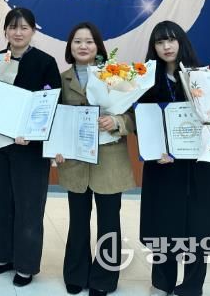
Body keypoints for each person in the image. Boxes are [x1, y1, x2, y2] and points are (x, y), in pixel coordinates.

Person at [138, 21, 210, 296]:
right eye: (160, 42)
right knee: (164, 221)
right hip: (163, 163)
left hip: (198, 164)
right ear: (154, 47)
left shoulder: (203, 77)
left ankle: (193, 284)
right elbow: (142, 121)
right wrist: (154, 149)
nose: (166, 46)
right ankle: (162, 282)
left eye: (171, 40)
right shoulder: (147, 80)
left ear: (181, 42)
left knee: (198, 223)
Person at [54, 21, 136, 296]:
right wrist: (55, 147)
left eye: (89, 41)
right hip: (75, 161)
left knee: (109, 222)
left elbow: (133, 116)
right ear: (70, 47)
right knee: (78, 220)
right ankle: (75, 273)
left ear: (98, 46)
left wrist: (116, 121)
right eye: (77, 41)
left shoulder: (114, 75)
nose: (83, 46)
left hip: (110, 160)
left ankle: (104, 278)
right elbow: (54, 118)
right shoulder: (62, 78)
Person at [0, 8, 61, 287]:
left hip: (30, 146)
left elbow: (51, 102)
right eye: (13, 27)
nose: (18, 33)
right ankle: (3, 257)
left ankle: (26, 265)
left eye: (24, 27)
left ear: (33, 31)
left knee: (29, 205)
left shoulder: (45, 62)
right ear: (5, 30)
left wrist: (32, 133)